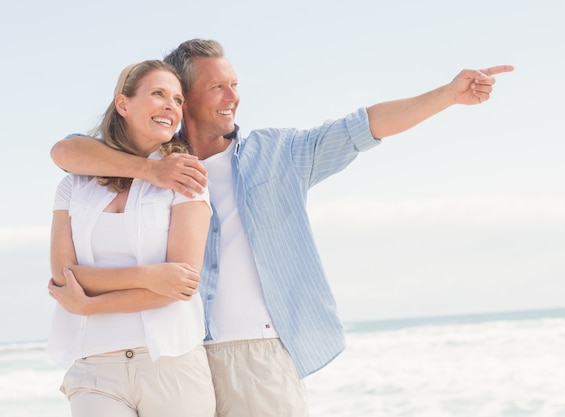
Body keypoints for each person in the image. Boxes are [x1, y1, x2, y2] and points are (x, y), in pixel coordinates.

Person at [50, 39, 514, 417]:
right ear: (183, 97)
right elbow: (70, 152)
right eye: (217, 88)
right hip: (174, 354)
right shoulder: (148, 167)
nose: (233, 97)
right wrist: (148, 171)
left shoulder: (278, 155)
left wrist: (447, 95)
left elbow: (362, 127)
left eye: (235, 85)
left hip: (252, 354)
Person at [47, 59, 216, 417]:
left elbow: (180, 284)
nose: (171, 105)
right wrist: (149, 276)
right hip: (94, 368)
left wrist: (90, 304)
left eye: (178, 99)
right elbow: (64, 277)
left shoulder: (188, 180)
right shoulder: (74, 185)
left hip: (172, 365)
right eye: (158, 94)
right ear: (123, 104)